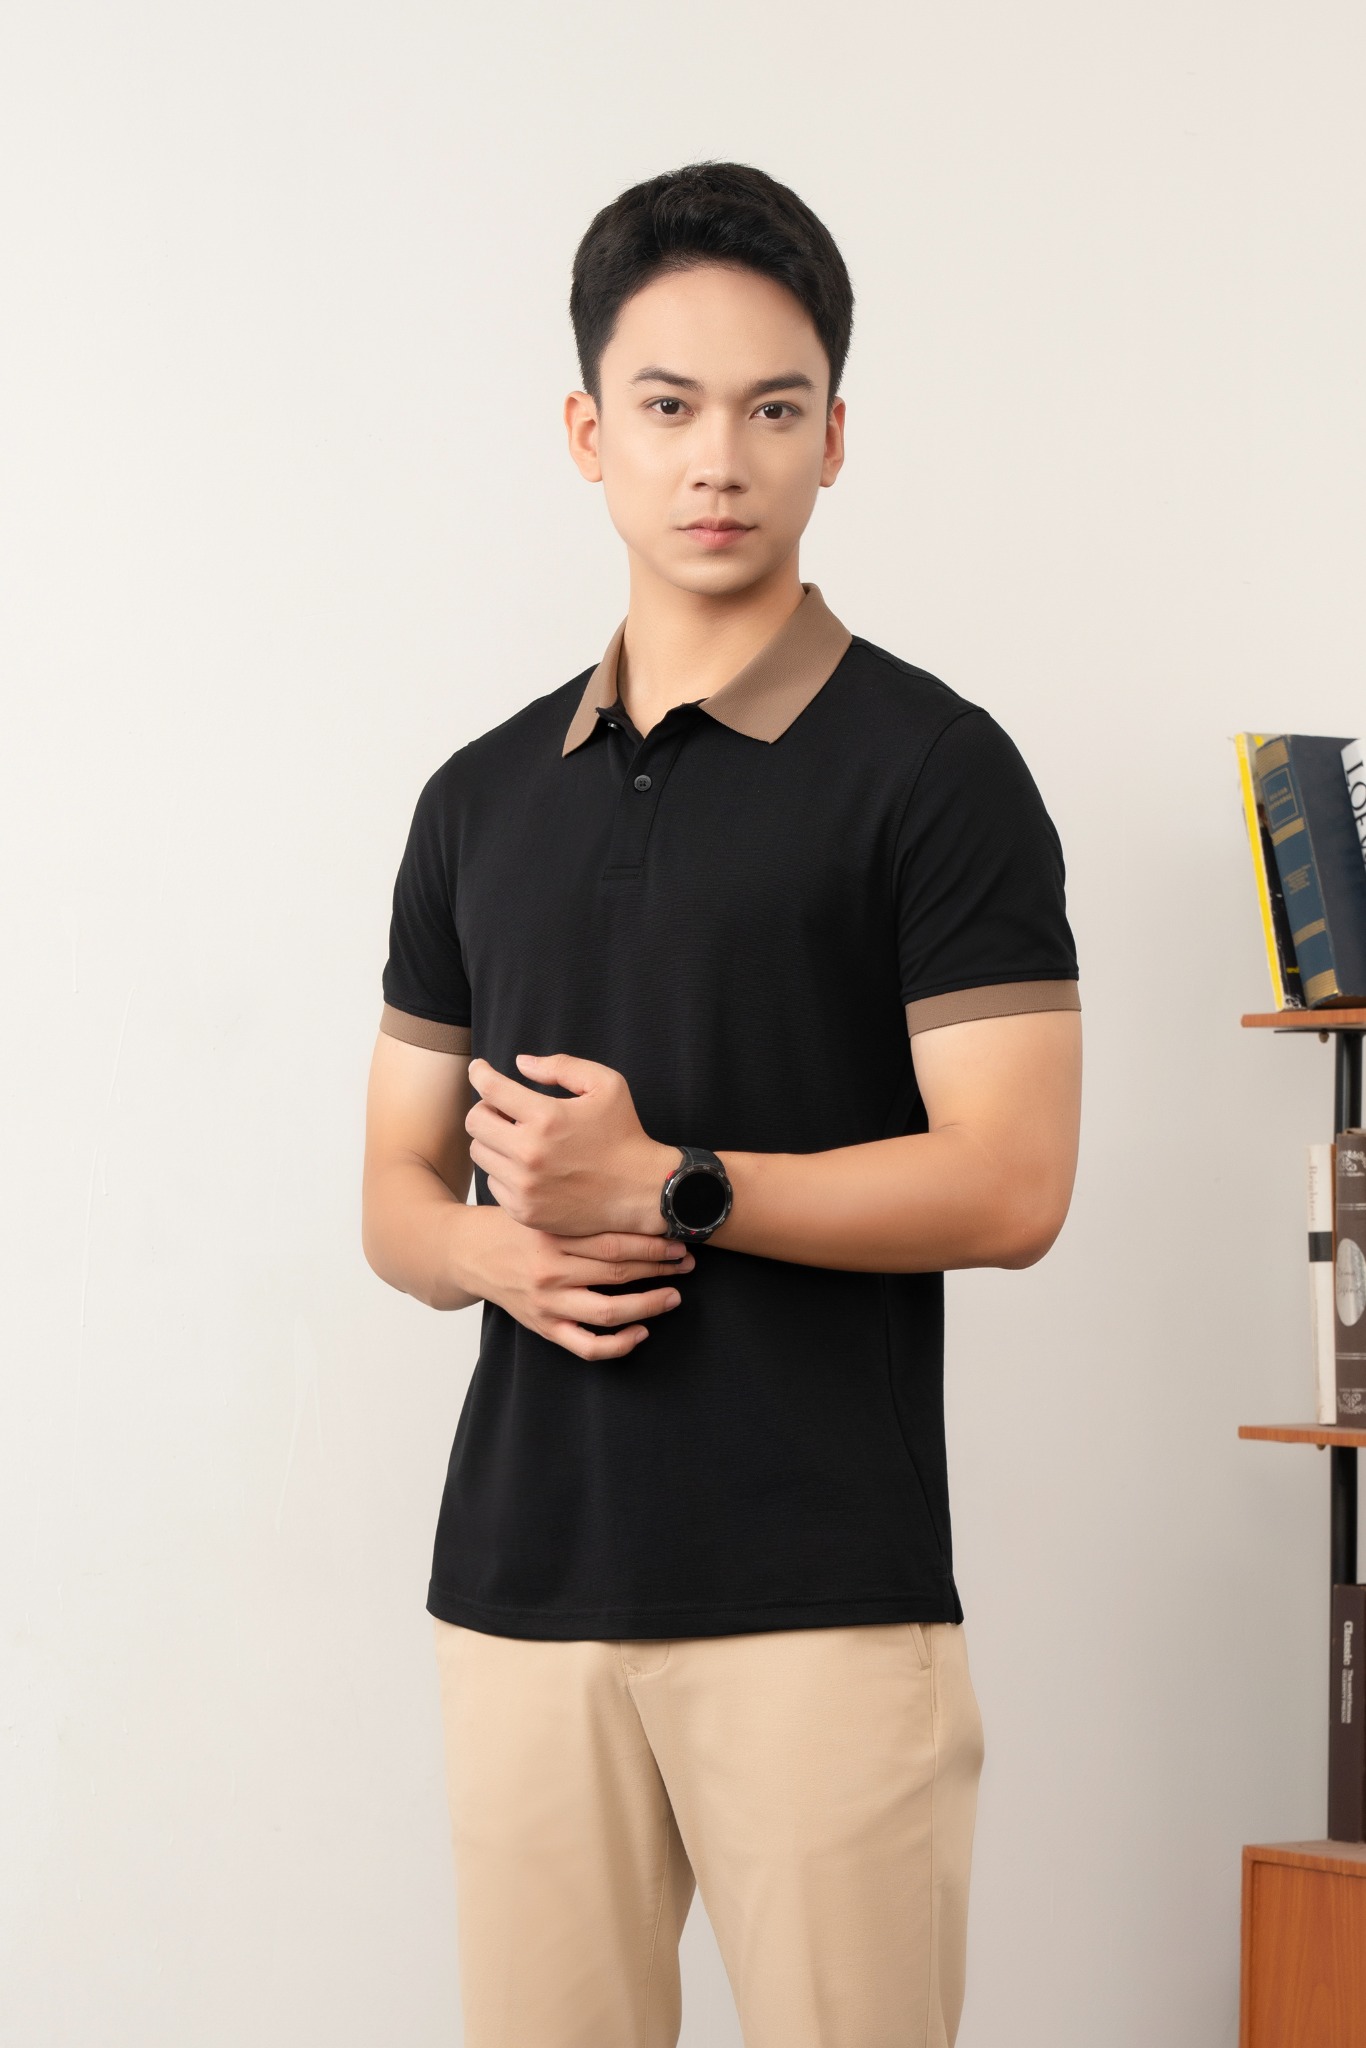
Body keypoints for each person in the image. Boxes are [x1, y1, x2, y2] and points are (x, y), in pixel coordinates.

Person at [361, 159, 1082, 2048]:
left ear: (833, 438)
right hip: (521, 1590)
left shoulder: (935, 769)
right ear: (587, 431)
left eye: (772, 410)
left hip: (819, 1599)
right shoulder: (475, 798)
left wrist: (667, 1184)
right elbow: (393, 1192)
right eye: (669, 406)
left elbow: (1013, 1185)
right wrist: (492, 1256)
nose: (718, 460)